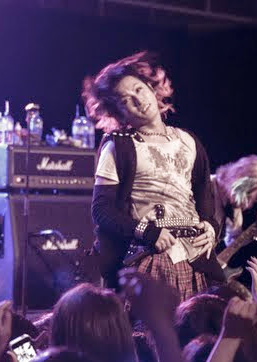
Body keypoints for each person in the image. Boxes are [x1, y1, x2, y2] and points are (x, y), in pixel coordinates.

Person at [83, 51, 224, 299]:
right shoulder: (118, 146)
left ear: (151, 87)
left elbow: (206, 204)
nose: (138, 100)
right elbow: (101, 211)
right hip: (150, 259)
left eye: (138, 89)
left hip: (195, 261)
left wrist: (211, 229)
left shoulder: (189, 141)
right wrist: (147, 232)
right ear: (119, 113)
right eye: (126, 100)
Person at [211, 154, 257, 247]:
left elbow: (232, 244)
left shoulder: (235, 212)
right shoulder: (207, 185)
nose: (248, 205)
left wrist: (254, 232)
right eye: (248, 196)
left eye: (255, 201)